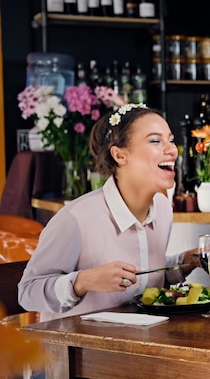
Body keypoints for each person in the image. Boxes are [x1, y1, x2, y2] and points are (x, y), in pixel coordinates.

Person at [18, 104, 200, 322]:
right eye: (155, 140)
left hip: (143, 343)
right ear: (119, 155)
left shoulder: (162, 209)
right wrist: (83, 281)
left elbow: (141, 280)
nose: (172, 149)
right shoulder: (75, 219)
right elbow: (27, 293)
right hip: (77, 350)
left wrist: (185, 262)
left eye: (170, 139)